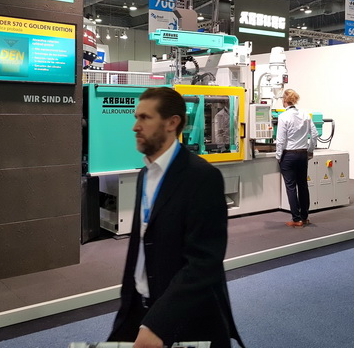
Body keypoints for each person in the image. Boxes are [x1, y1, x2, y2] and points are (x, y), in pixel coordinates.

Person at [108, 87, 245, 348]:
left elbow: (204, 262)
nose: (135, 127)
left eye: (145, 118)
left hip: (185, 319)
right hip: (140, 310)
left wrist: (157, 325)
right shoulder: (145, 175)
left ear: (172, 123)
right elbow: (141, 248)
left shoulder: (202, 177)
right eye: (136, 117)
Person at [275, 89, 318, 227]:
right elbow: (315, 134)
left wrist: (278, 156)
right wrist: (310, 150)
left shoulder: (283, 117)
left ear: (284, 101)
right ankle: (305, 217)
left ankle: (296, 219)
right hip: (302, 154)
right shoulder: (305, 114)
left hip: (289, 155)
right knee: (303, 186)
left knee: (291, 187)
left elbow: (280, 140)